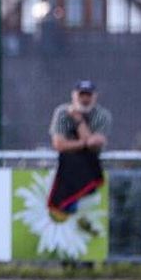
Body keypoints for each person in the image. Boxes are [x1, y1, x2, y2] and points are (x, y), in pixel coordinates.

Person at [47, 80, 111, 221]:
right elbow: (58, 144)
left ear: (95, 97)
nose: (85, 99)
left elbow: (93, 145)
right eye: (81, 95)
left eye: (88, 95)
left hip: (90, 165)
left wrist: (78, 121)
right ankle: (65, 204)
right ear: (74, 96)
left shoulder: (102, 115)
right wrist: (84, 143)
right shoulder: (62, 112)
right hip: (63, 167)